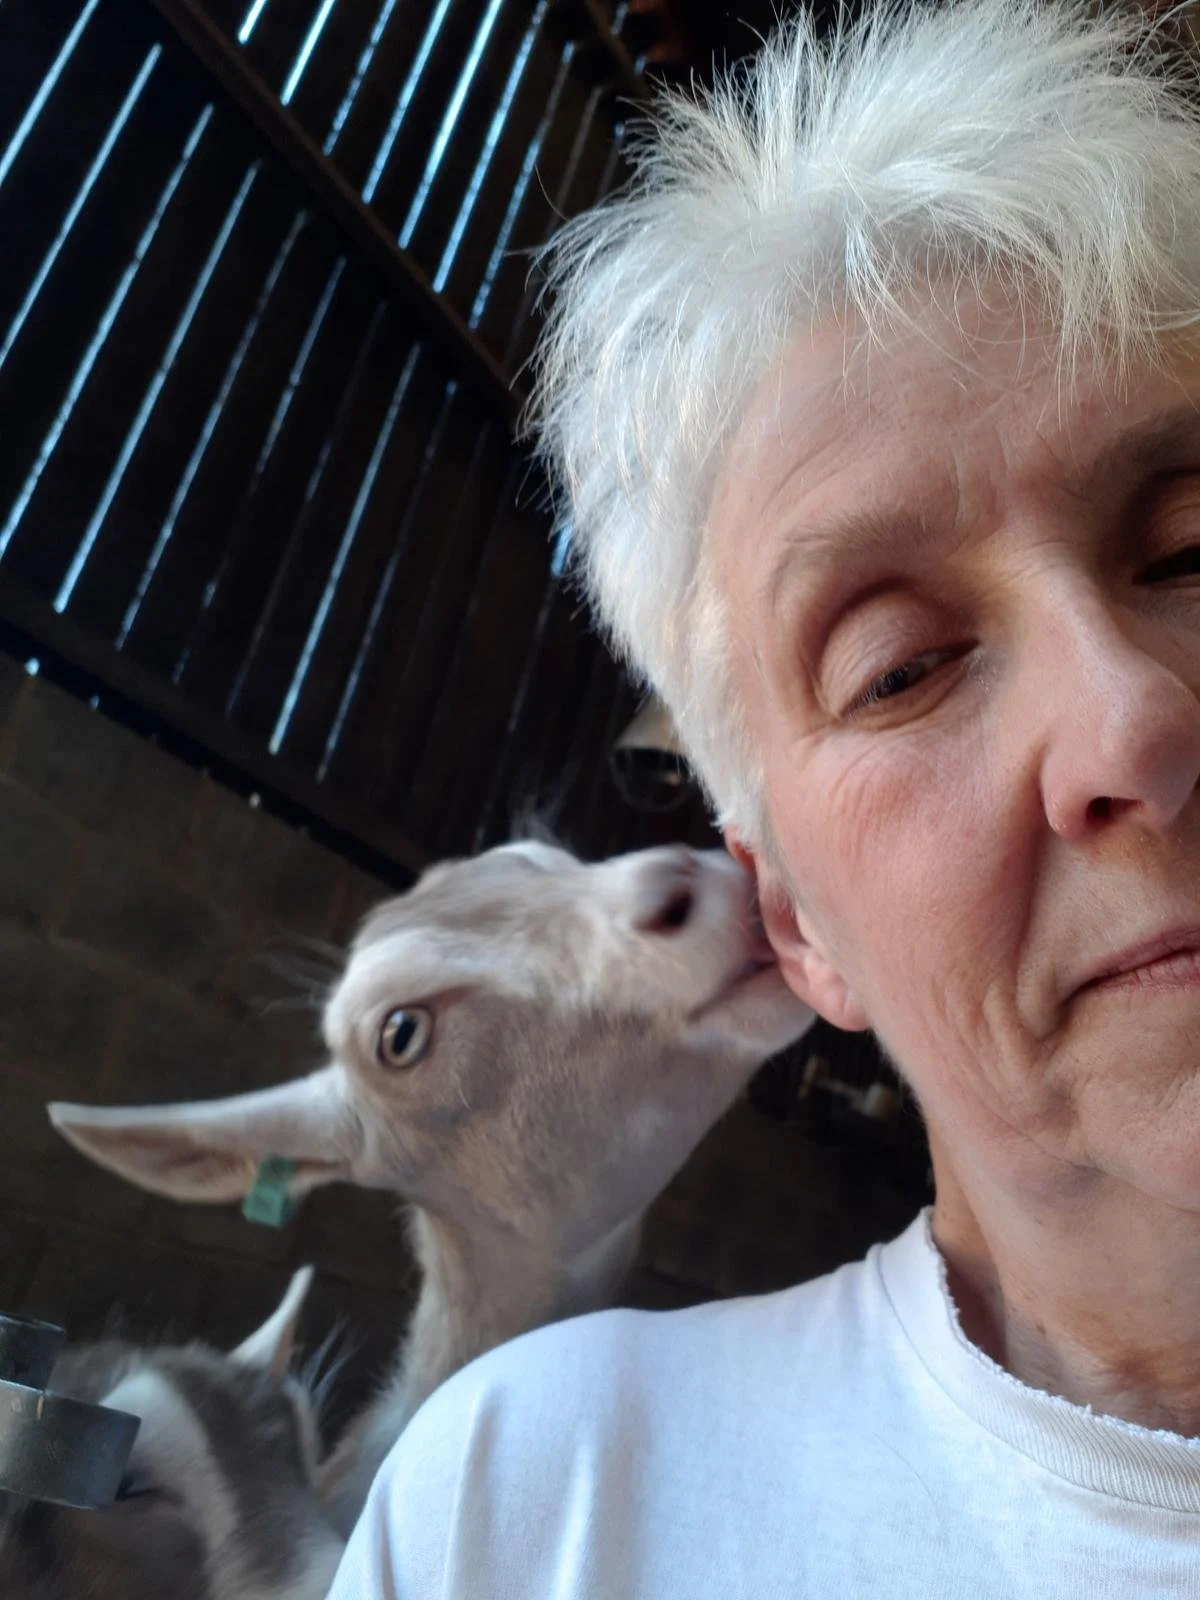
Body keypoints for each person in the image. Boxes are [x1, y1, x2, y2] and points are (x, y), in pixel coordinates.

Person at [327, 2, 1200, 1593]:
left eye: (1193, 550)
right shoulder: (532, 1509)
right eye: (901, 667)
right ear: (793, 919)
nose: (1132, 724)